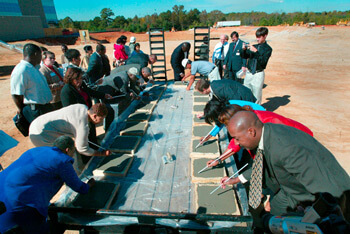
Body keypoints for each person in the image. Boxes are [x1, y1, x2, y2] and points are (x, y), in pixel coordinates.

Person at [223, 111, 350, 229]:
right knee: (275, 213)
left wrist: (312, 213)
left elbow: (329, 192)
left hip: (329, 195)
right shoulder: (266, 133)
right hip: (292, 188)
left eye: (237, 138)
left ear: (251, 132)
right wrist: (237, 179)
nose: (236, 143)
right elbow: (260, 165)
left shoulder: (286, 149)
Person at [0, 136, 95, 233]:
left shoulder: (37, 150)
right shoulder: (62, 160)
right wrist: (89, 185)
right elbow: (78, 186)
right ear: (67, 150)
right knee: (36, 228)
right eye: (73, 152)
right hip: (20, 200)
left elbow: (34, 175)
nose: (73, 155)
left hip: (3, 189)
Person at [204, 102, 313, 170]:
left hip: (301, 143)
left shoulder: (265, 124)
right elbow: (235, 143)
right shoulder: (245, 122)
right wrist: (219, 159)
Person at [29, 103, 111, 157]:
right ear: (94, 116)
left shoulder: (82, 107)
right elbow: (82, 149)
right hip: (40, 134)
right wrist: (101, 153)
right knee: (64, 155)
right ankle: (76, 178)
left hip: (38, 122)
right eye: (101, 119)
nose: (101, 121)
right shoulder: (83, 125)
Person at [60, 67, 113, 149]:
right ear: (70, 78)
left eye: (81, 78)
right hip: (79, 118)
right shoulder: (66, 91)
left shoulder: (81, 85)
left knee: (92, 132)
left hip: (89, 113)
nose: (80, 81)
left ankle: (95, 145)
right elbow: (69, 110)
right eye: (77, 79)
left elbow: (90, 92)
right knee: (85, 136)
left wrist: (103, 95)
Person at [10, 43, 53, 123]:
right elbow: (16, 94)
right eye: (41, 55)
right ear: (36, 54)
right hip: (36, 110)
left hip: (45, 108)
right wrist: (23, 110)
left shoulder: (34, 68)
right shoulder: (22, 69)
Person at [240, 27, 272, 104]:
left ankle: (257, 112)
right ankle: (247, 111)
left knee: (257, 96)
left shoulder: (268, 49)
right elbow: (244, 56)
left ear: (265, 36)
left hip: (258, 73)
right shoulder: (255, 46)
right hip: (249, 73)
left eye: (259, 37)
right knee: (246, 93)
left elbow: (263, 62)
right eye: (256, 37)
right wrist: (243, 50)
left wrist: (256, 52)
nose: (257, 39)